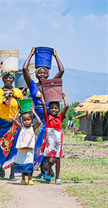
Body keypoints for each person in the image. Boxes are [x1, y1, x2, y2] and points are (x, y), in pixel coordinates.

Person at [22, 47, 65, 179]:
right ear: (36, 74)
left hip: (49, 119)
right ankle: (42, 169)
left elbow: (61, 70)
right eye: (39, 72)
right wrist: (31, 54)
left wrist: (56, 55)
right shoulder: (32, 85)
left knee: (48, 143)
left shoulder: (51, 84)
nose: (42, 74)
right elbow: (24, 69)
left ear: (47, 74)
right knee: (37, 144)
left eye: (44, 72)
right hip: (36, 119)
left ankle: (46, 170)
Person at [0, 62, 23, 181]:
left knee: (14, 148)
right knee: (2, 146)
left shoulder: (18, 92)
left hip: (15, 124)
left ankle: (12, 174)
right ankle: (1, 166)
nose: (8, 79)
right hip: (3, 124)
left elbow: (21, 107)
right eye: (6, 77)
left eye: (10, 77)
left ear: (13, 79)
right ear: (2, 79)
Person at [41, 93, 68, 184]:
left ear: (58, 109)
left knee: (58, 160)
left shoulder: (60, 117)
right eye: (52, 108)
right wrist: (42, 96)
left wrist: (63, 97)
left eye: (56, 108)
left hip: (58, 142)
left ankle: (57, 178)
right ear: (49, 109)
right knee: (50, 160)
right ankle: (48, 172)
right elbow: (44, 105)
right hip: (50, 141)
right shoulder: (47, 116)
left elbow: (67, 106)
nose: (54, 109)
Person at [12, 107, 42, 185]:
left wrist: (34, 112)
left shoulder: (33, 128)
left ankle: (30, 179)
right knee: (22, 164)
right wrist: (18, 111)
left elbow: (39, 122)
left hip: (29, 150)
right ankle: (23, 179)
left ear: (31, 121)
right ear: (22, 121)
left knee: (29, 165)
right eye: (24, 120)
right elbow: (14, 120)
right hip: (21, 150)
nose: (26, 122)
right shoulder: (21, 127)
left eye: (28, 120)